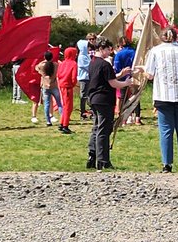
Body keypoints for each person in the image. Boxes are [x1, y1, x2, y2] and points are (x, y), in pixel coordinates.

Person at [144, 28, 178, 172]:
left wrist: (142, 70)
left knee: (165, 130)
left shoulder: (155, 51)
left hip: (163, 96)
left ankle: (166, 164)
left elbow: (149, 75)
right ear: (176, 37)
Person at [85, 36, 137, 170]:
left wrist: (121, 74)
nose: (110, 52)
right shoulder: (104, 64)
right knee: (104, 129)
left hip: (94, 98)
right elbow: (112, 83)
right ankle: (103, 160)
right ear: (101, 49)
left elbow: (107, 78)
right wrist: (126, 83)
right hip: (104, 99)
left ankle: (92, 154)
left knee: (96, 127)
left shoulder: (93, 63)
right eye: (108, 49)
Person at [56, 46, 78, 134]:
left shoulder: (62, 63)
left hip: (61, 85)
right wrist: (73, 84)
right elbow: (73, 77)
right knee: (68, 107)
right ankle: (65, 125)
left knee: (65, 105)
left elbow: (58, 74)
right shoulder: (73, 64)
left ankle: (62, 123)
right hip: (68, 87)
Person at [76, 32, 95, 119]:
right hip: (84, 78)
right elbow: (87, 66)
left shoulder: (86, 55)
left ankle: (91, 111)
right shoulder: (81, 57)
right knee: (83, 95)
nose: (88, 48)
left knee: (90, 94)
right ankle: (82, 111)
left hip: (89, 77)